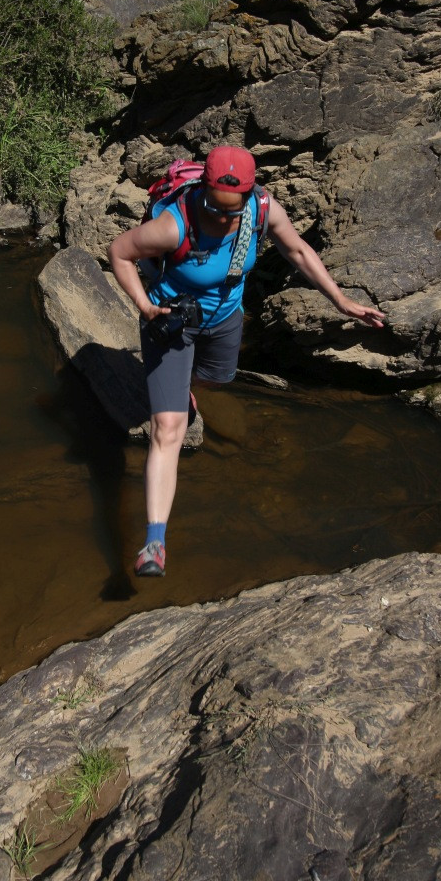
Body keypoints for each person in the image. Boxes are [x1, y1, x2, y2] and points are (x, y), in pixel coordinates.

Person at [108, 144, 386, 577]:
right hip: (171, 322)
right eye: (216, 210)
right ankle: (155, 542)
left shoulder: (261, 209)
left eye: (231, 212)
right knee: (168, 430)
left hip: (225, 318)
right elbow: (119, 251)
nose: (223, 220)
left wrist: (341, 301)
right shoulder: (173, 225)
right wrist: (146, 309)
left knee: (219, 378)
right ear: (203, 190)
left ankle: (186, 392)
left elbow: (297, 251)